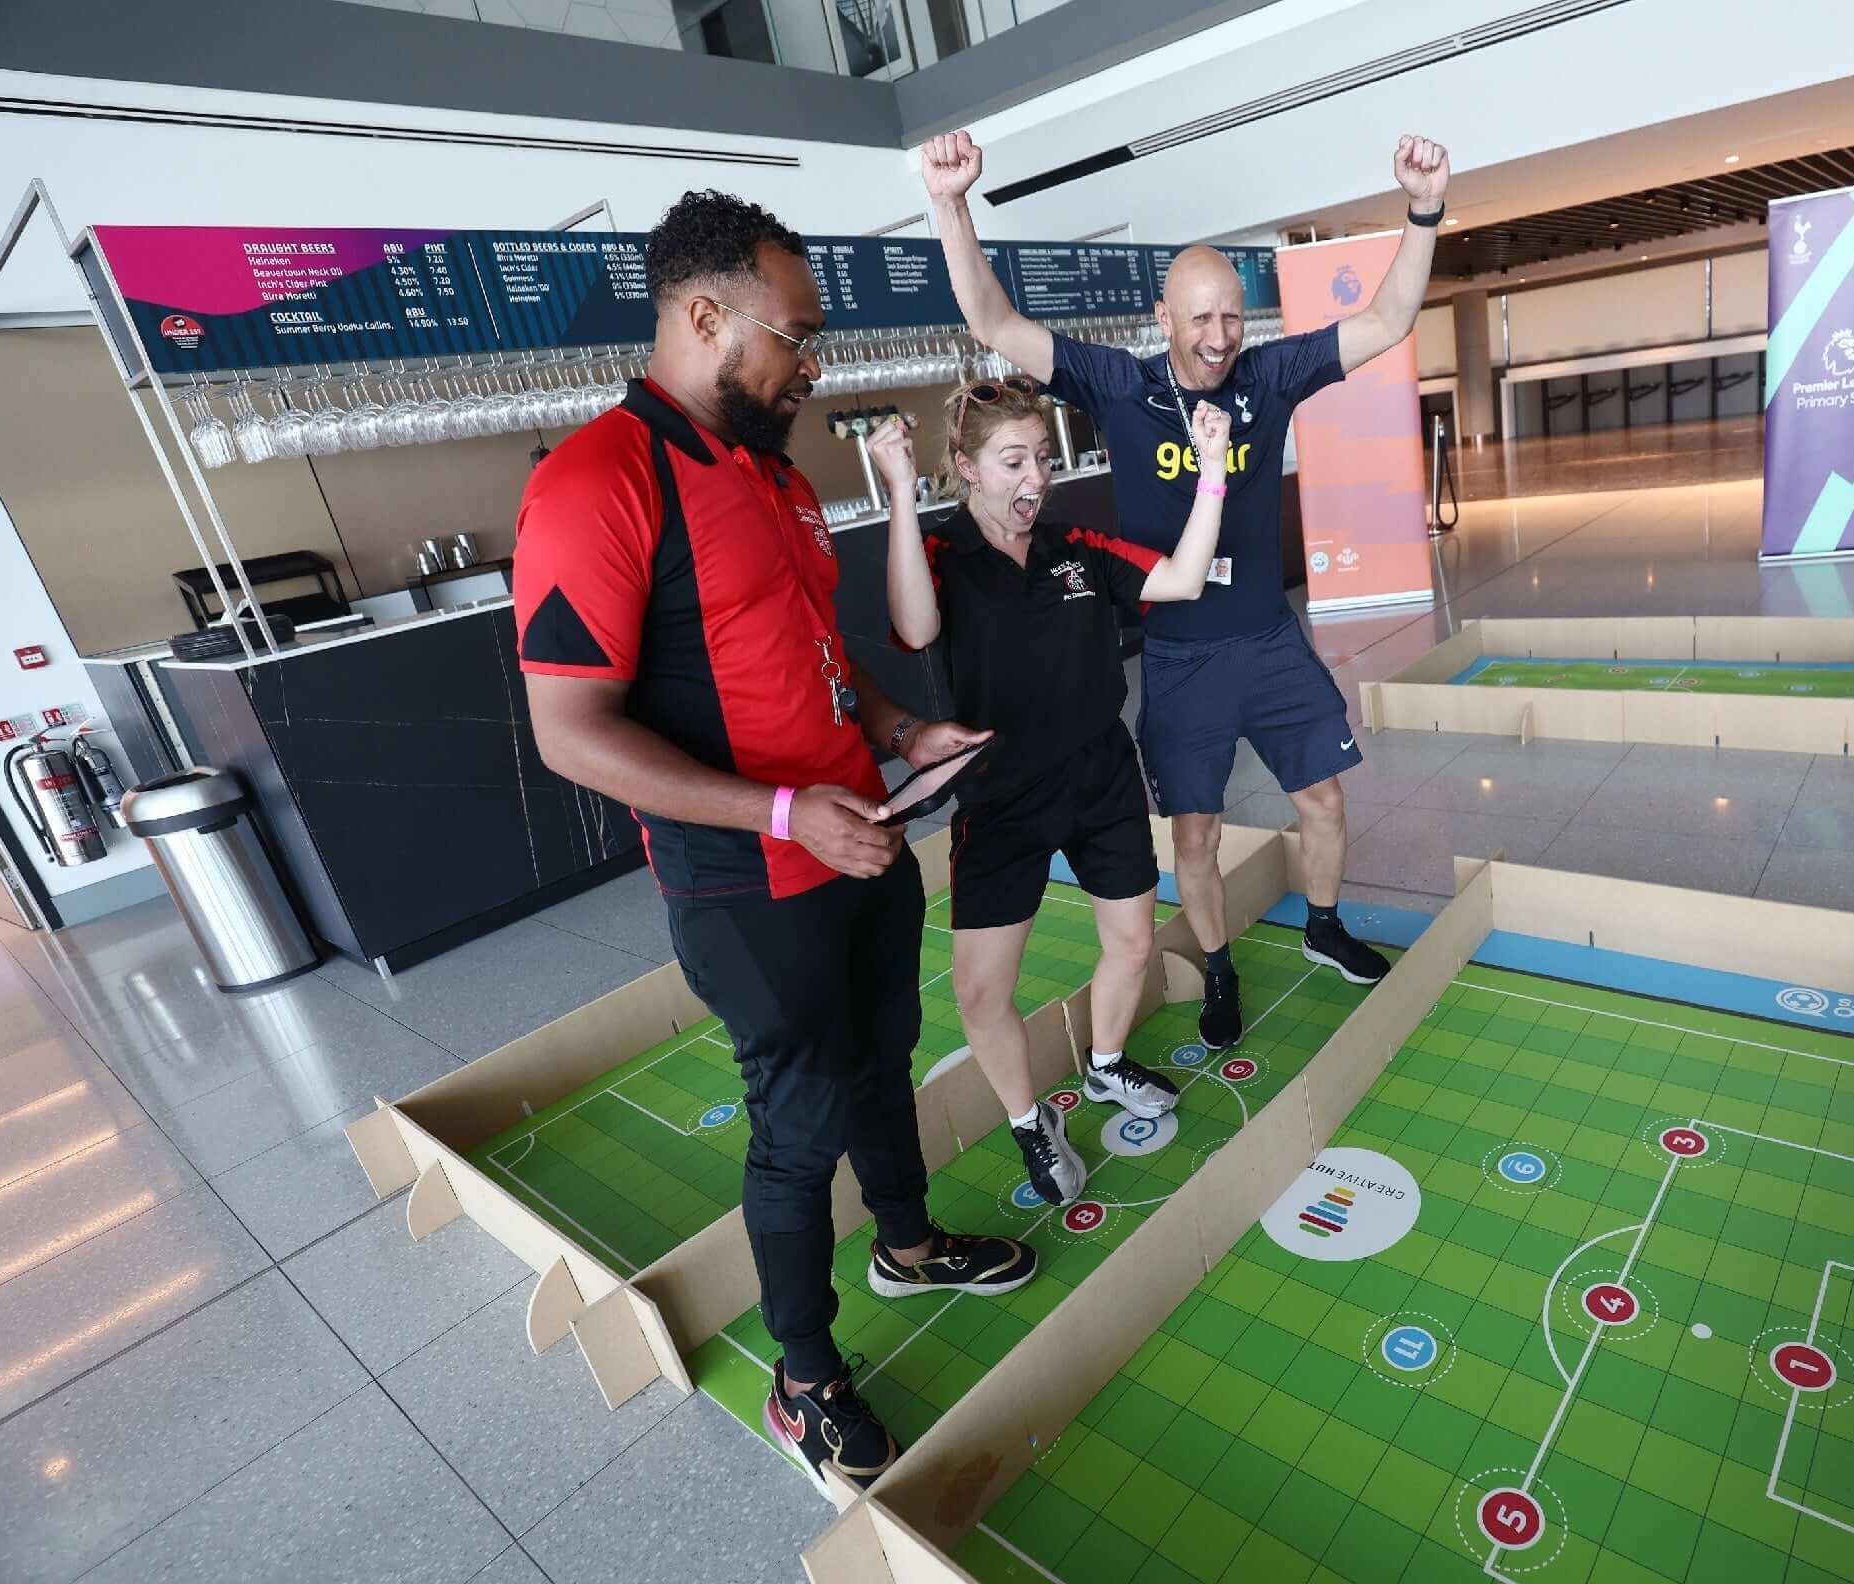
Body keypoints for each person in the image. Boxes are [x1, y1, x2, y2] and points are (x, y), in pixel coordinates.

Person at [512, 189, 1036, 1498]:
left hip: (863, 844)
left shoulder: (775, 474)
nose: (814, 366)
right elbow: (570, 731)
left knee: (885, 1058)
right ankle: (805, 1384)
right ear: (704, 316)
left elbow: (813, 655)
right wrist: (788, 813)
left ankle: (906, 1240)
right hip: (753, 880)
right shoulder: (596, 483)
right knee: (799, 1123)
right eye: (796, 339)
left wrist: (903, 731)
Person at [919, 128, 1451, 1049]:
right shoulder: (1118, 384)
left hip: (1269, 643)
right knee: (1195, 838)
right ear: (1163, 320)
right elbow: (995, 324)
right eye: (1199, 319)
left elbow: (1390, 318)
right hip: (1178, 655)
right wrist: (952, 205)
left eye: (1231, 318)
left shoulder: (1271, 374)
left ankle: (1323, 927)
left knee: (1322, 799)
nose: (1218, 338)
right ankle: (1218, 966)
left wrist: (1423, 209)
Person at [869, 383, 1233, 1206]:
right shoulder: (940, 555)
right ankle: (1031, 1120)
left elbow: (1180, 579)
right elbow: (917, 630)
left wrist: (1212, 469)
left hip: (1100, 775)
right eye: (1013, 461)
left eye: (1043, 456)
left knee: (1132, 943)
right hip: (1001, 795)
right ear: (965, 468)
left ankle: (1105, 1064)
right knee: (980, 991)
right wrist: (897, 491)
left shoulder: (1076, 544)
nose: (1036, 475)